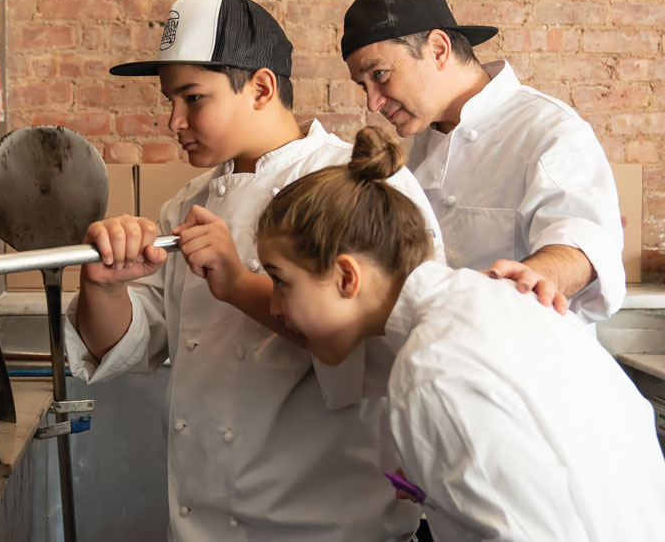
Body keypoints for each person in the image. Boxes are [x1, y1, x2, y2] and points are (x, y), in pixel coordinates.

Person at [63, 0, 445, 541]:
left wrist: (241, 284)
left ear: (261, 87)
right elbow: (131, 342)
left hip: (326, 527)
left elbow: (389, 350)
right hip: (200, 522)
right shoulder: (188, 204)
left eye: (193, 98)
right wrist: (103, 286)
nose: (174, 121)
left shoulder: (353, 183)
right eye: (170, 100)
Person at [256, 125, 665, 541]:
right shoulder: (498, 301)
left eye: (280, 280)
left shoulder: (431, 370)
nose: (273, 307)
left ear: (346, 276)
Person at [341, 0, 624, 325]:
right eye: (363, 86)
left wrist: (534, 275)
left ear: (439, 49)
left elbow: (582, 243)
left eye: (380, 74)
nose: (373, 102)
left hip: (522, 359)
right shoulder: (410, 158)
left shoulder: (549, 129)